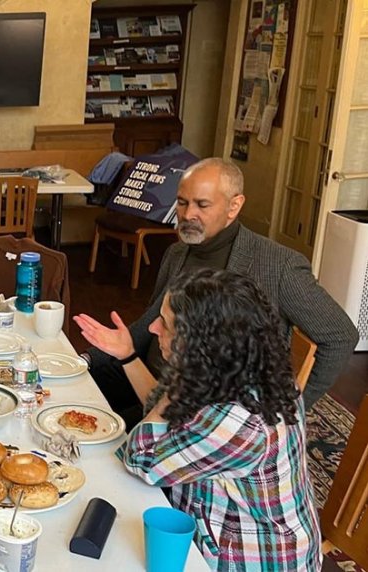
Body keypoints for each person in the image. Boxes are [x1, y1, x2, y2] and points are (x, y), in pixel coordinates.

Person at [82, 157, 357, 424]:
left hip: (202, 410)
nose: (188, 215)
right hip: (149, 378)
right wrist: (86, 359)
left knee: (91, 439)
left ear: (234, 206)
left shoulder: (279, 265)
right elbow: (150, 324)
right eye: (182, 202)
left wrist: (291, 412)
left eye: (202, 205)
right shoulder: (177, 253)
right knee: (63, 392)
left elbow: (340, 335)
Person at [82, 269, 322, 571]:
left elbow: (141, 458)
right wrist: (129, 355)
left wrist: (182, 374)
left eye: (166, 323)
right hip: (226, 532)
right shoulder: (244, 369)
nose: (154, 328)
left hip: (254, 559)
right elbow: (162, 415)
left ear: (200, 342)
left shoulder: (238, 419)